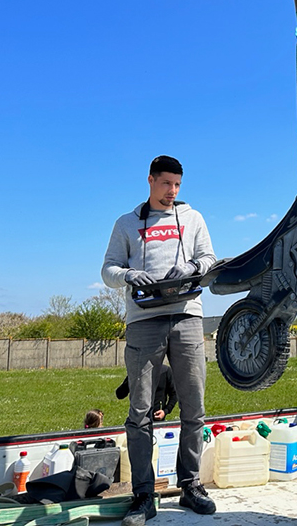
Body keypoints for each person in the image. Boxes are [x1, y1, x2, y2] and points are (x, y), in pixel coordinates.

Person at [102, 155, 217, 524]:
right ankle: (143, 495)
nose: (172, 192)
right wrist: (129, 275)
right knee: (139, 413)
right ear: (151, 181)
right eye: (166, 184)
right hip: (143, 321)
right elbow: (108, 270)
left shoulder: (193, 218)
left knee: (194, 407)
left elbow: (209, 260)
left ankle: (191, 486)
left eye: (178, 185)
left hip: (187, 317)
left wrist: (193, 268)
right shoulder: (127, 223)